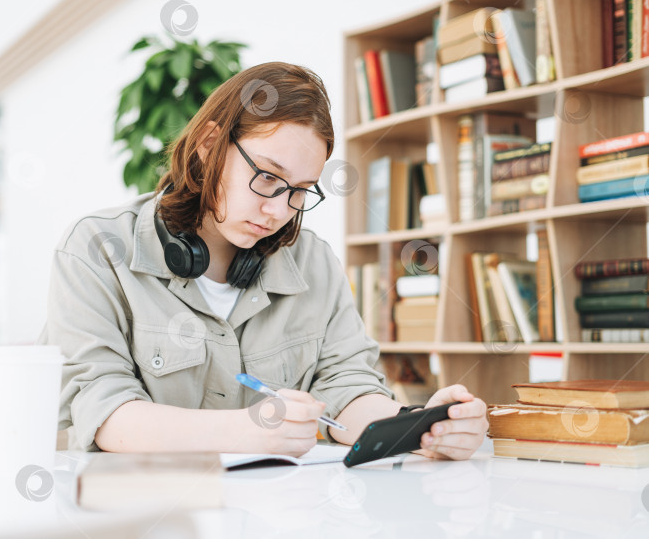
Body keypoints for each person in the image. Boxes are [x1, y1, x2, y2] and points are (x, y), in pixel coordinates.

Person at [38, 62, 488, 459]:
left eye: (299, 191)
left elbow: (346, 390)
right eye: (268, 178)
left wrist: (421, 426)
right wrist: (247, 430)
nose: (279, 210)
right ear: (211, 145)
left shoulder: (312, 261)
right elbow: (104, 412)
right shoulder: (97, 248)